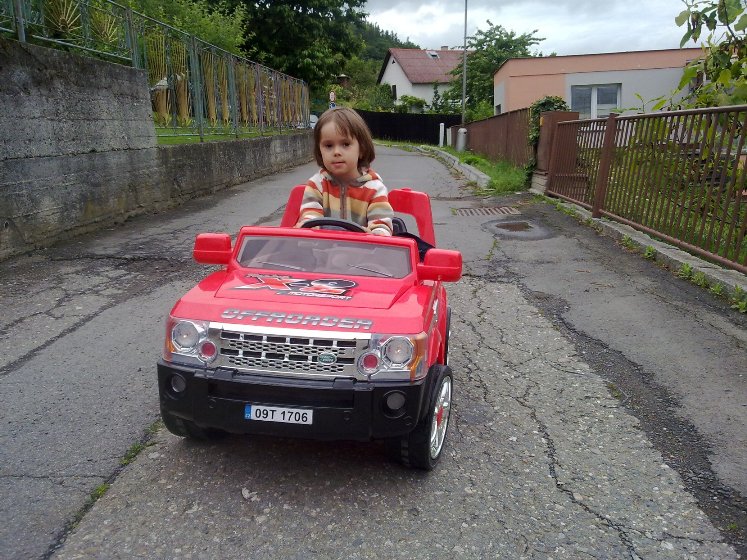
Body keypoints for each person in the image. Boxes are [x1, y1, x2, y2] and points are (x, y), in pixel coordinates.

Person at [295, 107, 393, 236]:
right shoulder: (317, 185)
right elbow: (310, 219)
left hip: (362, 248)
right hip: (323, 247)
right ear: (320, 151)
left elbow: (382, 226)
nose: (336, 152)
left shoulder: (375, 189)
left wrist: (377, 233)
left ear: (362, 149)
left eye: (345, 144)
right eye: (329, 145)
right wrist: (307, 226)